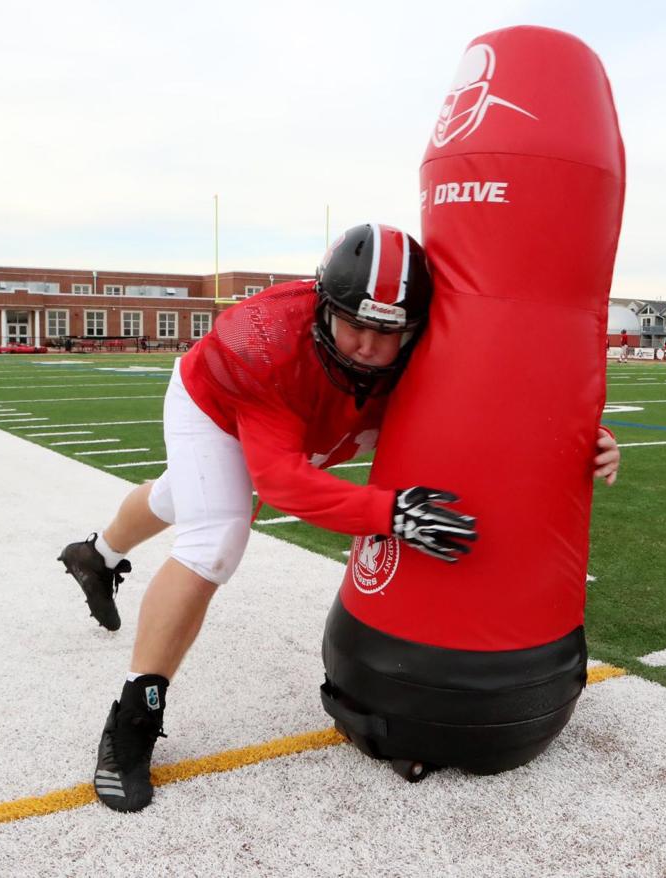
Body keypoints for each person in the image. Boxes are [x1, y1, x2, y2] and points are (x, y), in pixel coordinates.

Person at [57, 224, 622, 814]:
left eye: (388, 332)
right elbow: (281, 483)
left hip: (327, 414)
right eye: (354, 324)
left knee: (187, 495)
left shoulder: (429, 342)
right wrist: (389, 512)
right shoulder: (265, 341)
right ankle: (134, 718)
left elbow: (501, 403)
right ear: (324, 307)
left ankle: (96, 555)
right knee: (215, 536)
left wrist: (587, 441)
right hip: (219, 407)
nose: (368, 347)